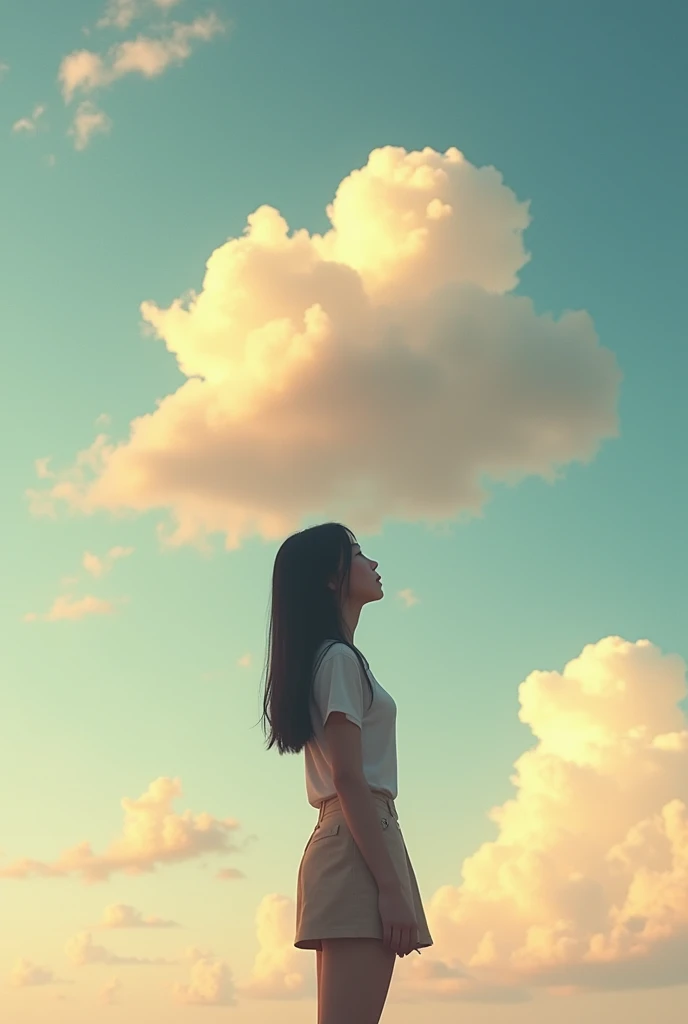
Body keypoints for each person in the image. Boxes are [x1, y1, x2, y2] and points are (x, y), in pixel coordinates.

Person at [259, 522, 433, 1024]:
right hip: (360, 837)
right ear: (331, 578)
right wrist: (392, 887)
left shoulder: (332, 659)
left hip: (345, 836)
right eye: (357, 553)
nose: (373, 564)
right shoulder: (338, 660)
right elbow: (349, 778)